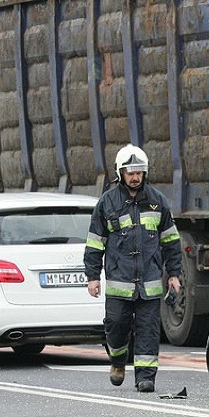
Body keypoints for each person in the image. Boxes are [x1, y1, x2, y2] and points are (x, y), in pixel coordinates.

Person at [84, 144, 182, 393]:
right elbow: (95, 242)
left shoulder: (157, 202)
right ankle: (118, 361)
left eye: (139, 172)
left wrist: (174, 274)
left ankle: (146, 377)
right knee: (116, 326)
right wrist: (93, 276)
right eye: (130, 172)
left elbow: (171, 241)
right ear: (120, 173)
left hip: (149, 282)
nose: (135, 177)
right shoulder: (107, 203)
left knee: (148, 330)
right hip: (119, 281)